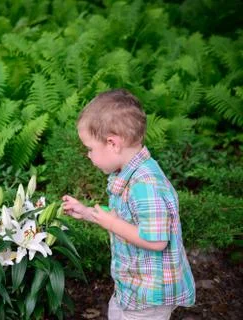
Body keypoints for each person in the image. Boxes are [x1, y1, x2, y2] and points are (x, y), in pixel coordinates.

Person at [62, 89, 195, 320]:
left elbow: (156, 241)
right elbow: (122, 220)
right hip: (133, 287)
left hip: (149, 297)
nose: (88, 155)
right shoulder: (129, 174)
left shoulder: (145, 184)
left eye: (90, 148)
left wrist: (111, 223)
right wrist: (87, 212)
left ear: (113, 143)